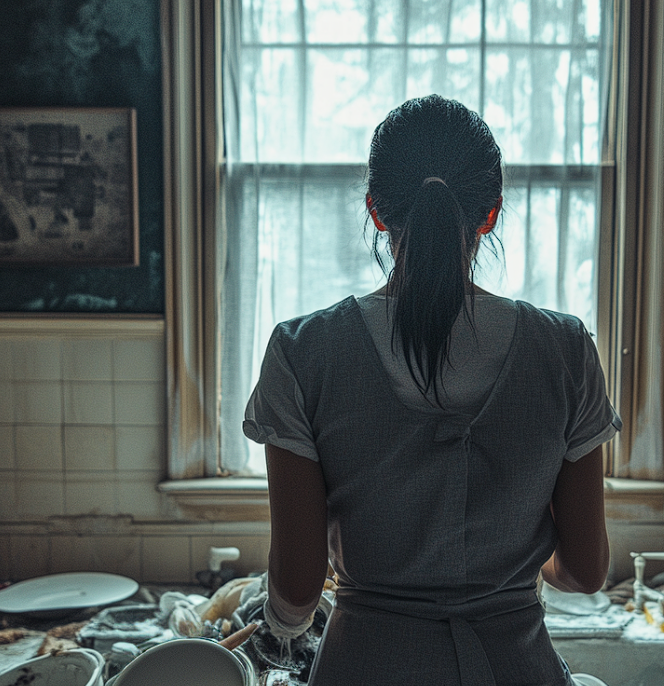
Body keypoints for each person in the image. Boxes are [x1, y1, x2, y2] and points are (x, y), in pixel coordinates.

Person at [242, 94, 620, 686]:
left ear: (376, 211)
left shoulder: (302, 350)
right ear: (490, 214)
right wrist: (509, 550)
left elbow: (296, 590)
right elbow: (585, 572)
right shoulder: (566, 348)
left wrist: (273, 625)